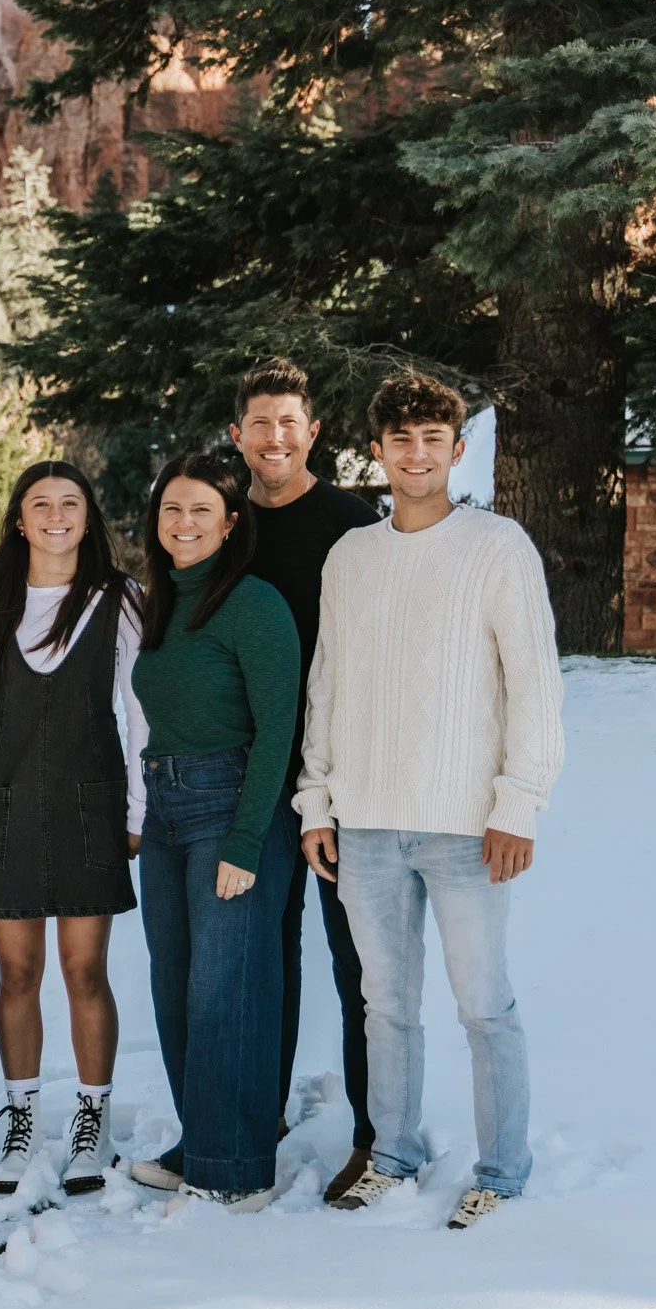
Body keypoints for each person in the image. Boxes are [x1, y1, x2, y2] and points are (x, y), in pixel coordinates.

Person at [297, 372, 564, 1230]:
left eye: (433, 439)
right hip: (368, 824)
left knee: (484, 1004)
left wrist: (518, 803)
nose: (417, 454)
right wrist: (316, 800)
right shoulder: (351, 556)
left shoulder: (497, 546)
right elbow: (328, 683)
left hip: (465, 828)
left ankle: (502, 1172)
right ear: (377, 451)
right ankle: (393, 1156)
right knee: (385, 1006)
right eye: (401, 440)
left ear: (457, 448)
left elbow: (534, 684)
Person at [0, 462, 146, 1199]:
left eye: (70, 503)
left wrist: (136, 811)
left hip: (88, 805)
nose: (56, 515)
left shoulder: (118, 599)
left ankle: (91, 1123)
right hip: (3, 805)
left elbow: (139, 711)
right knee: (16, 974)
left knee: (83, 971)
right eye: (40, 503)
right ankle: (21, 1123)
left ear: (87, 516)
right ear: (19, 519)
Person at [126, 453, 300, 1213]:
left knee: (225, 989)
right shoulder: (160, 601)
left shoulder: (254, 603)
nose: (184, 522)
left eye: (201, 510)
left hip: (233, 807)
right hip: (165, 809)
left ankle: (236, 1168)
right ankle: (202, 1139)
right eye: (172, 509)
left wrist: (246, 840)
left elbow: (278, 729)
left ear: (231, 524)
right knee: (174, 986)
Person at [227, 357, 383, 1200]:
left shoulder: (353, 524)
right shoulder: (224, 524)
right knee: (259, 960)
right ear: (237, 434)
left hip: (342, 779)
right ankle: (257, 1116)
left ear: (313, 431)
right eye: (260, 423)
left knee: (357, 963)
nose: (275, 437)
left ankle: (375, 1137)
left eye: (289, 421)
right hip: (250, 778)